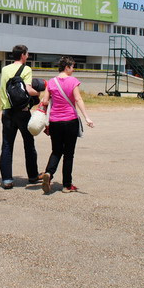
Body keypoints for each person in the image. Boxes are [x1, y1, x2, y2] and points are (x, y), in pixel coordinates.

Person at [37, 56, 95, 194]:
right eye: (72, 67)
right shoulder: (73, 81)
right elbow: (78, 99)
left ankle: (49, 174)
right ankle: (67, 185)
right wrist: (87, 117)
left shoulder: (51, 82)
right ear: (67, 67)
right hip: (70, 121)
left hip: (55, 121)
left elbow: (45, 101)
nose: (73, 69)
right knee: (69, 154)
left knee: (56, 151)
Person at [0, 44, 41, 189]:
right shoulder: (26, 69)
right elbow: (28, 89)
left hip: (7, 111)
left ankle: (7, 180)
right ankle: (33, 176)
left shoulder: (4, 69)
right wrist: (39, 93)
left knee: (7, 145)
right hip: (23, 112)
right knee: (29, 144)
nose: (28, 56)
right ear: (22, 55)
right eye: (27, 54)